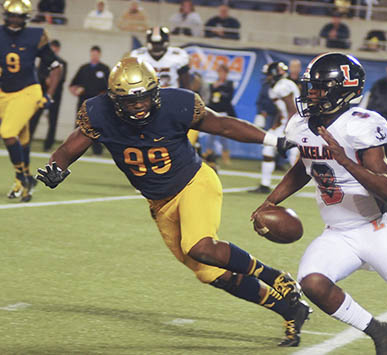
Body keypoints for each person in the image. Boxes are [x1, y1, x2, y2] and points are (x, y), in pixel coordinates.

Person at [36, 57, 312, 347]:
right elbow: (71, 146)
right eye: (131, 102)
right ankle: (291, 309)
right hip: (159, 202)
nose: (140, 106)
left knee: (200, 246)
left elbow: (221, 125)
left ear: (154, 91)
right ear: (115, 100)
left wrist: (272, 139)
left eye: (144, 98)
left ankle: (276, 277)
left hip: (195, 182)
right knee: (210, 273)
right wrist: (58, 167)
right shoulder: (99, 112)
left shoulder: (176, 103)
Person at [252, 52, 387, 355]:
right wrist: (270, 201)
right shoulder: (302, 125)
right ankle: (380, 332)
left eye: (319, 88)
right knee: (313, 283)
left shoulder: (361, 125)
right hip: (338, 232)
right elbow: (304, 167)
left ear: (342, 91)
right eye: (310, 86)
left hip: (378, 230)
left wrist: (345, 160)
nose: (310, 94)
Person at [0, 0, 62, 202]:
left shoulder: (36, 35)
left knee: (7, 133)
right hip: (4, 92)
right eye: (12, 15)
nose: (15, 20)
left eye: (19, 16)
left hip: (28, 91)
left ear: (26, 17)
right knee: (22, 138)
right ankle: (25, 179)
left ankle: (21, 177)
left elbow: (56, 66)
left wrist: (49, 94)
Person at [250, 62, 300, 194]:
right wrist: (277, 123)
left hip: (293, 123)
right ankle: (265, 184)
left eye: (268, 75)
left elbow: (291, 109)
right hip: (285, 122)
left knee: (295, 157)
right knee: (268, 150)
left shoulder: (283, 86)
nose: (267, 77)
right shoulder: (279, 85)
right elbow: (282, 109)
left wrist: (289, 129)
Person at [69, 45, 110, 155]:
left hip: (98, 103)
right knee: (79, 124)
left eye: (96, 54)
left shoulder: (104, 69)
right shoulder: (84, 68)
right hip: (83, 101)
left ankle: (97, 151)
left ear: (99, 55)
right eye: (92, 54)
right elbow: (72, 85)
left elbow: (109, 88)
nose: (94, 56)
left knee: (96, 126)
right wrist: (76, 91)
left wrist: (103, 96)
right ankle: (74, 149)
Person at [30, 39, 67, 152]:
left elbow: (62, 78)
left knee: (52, 121)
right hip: (41, 95)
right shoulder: (43, 62)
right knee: (34, 118)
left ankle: (48, 145)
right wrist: (46, 79)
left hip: (55, 97)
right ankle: (27, 141)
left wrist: (53, 81)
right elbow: (38, 75)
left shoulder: (62, 63)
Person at [205, 63, 236, 167]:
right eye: (220, 72)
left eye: (223, 72)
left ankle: (225, 157)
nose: (222, 74)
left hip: (223, 113)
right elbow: (210, 96)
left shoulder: (229, 84)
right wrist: (214, 87)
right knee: (211, 136)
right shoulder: (213, 84)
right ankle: (208, 155)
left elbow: (228, 97)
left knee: (224, 136)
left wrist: (219, 87)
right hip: (214, 112)